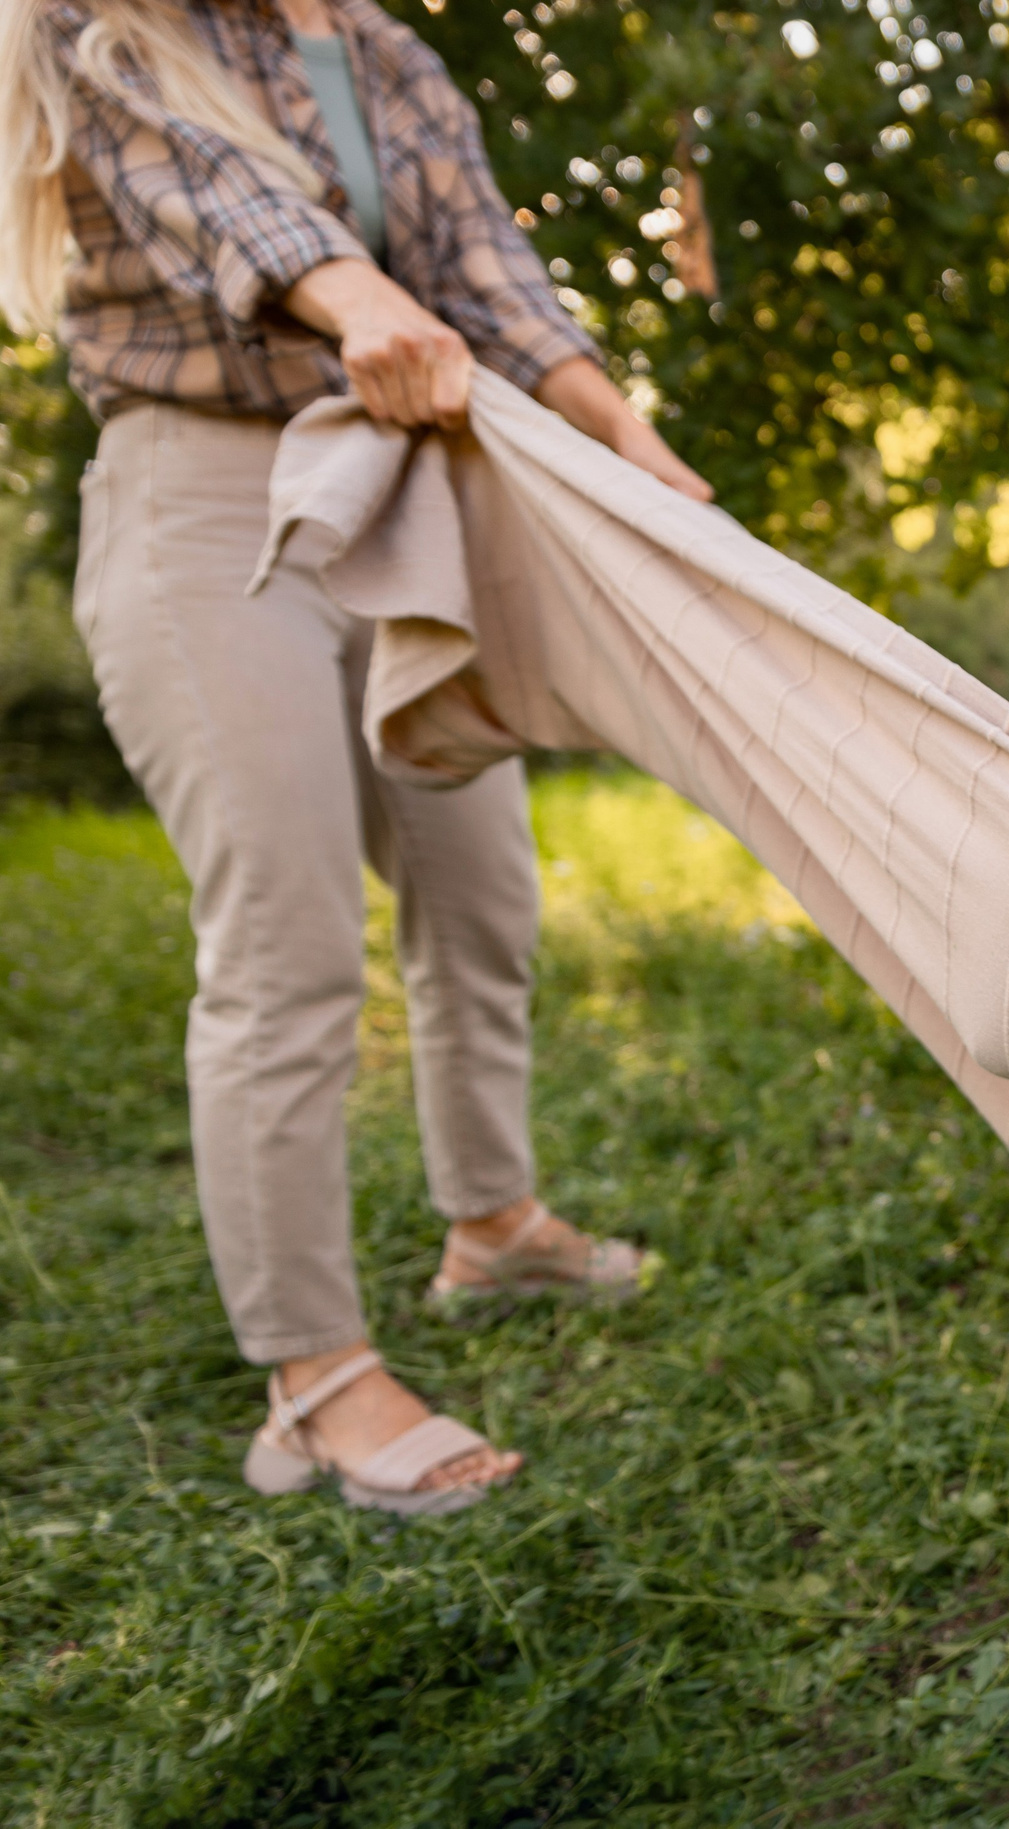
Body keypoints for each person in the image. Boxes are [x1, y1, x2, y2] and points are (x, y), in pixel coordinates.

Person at [1, 0, 713, 1510]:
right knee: (289, 938)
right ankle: (315, 1379)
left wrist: (628, 443)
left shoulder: (392, 55)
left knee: (482, 893)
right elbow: (216, 192)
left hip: (399, 495)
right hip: (202, 505)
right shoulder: (94, 24)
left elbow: (492, 282)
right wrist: (357, 303)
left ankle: (492, 1224)